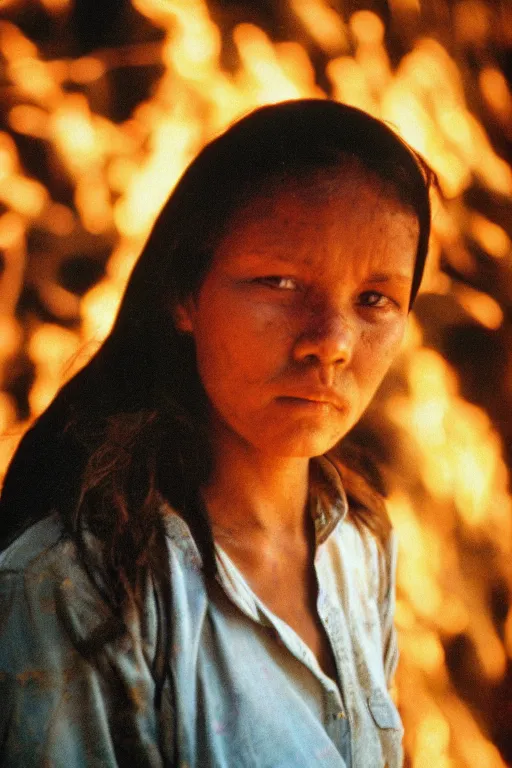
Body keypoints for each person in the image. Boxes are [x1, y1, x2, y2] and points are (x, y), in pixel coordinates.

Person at [0, 99, 433, 768]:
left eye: (374, 299)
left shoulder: (358, 545)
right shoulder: (79, 587)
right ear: (183, 293)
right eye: (280, 282)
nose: (333, 342)